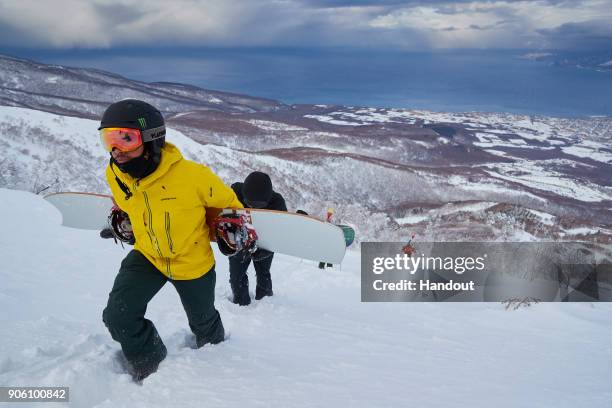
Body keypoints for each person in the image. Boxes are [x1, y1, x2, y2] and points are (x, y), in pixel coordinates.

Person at [99, 99, 243, 382]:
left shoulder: (194, 177)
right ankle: (149, 363)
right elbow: (127, 202)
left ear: (152, 139)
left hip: (192, 260)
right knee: (118, 317)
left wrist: (230, 224)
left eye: (126, 139)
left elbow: (229, 203)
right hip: (148, 256)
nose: (116, 151)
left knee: (203, 322)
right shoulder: (115, 174)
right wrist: (124, 217)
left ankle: (216, 366)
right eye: (109, 139)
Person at [228, 171, 287, 306]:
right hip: (240, 241)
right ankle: (240, 303)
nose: (253, 208)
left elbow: (280, 233)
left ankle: (265, 302)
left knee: (263, 273)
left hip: (265, 244)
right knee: (236, 277)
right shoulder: (235, 193)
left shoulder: (277, 203)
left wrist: (266, 250)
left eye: (258, 206)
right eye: (249, 203)